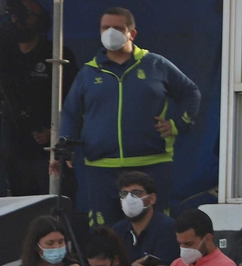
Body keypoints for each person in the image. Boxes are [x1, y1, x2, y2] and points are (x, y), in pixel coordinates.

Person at [55, 8, 199, 225]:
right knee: (105, 235)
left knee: (155, 228)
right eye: (105, 28)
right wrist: (64, 149)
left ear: (132, 33)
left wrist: (178, 124)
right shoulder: (88, 73)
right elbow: (70, 112)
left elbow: (191, 92)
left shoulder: (155, 64)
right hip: (101, 167)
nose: (110, 32)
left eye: (118, 28)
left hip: (152, 163)